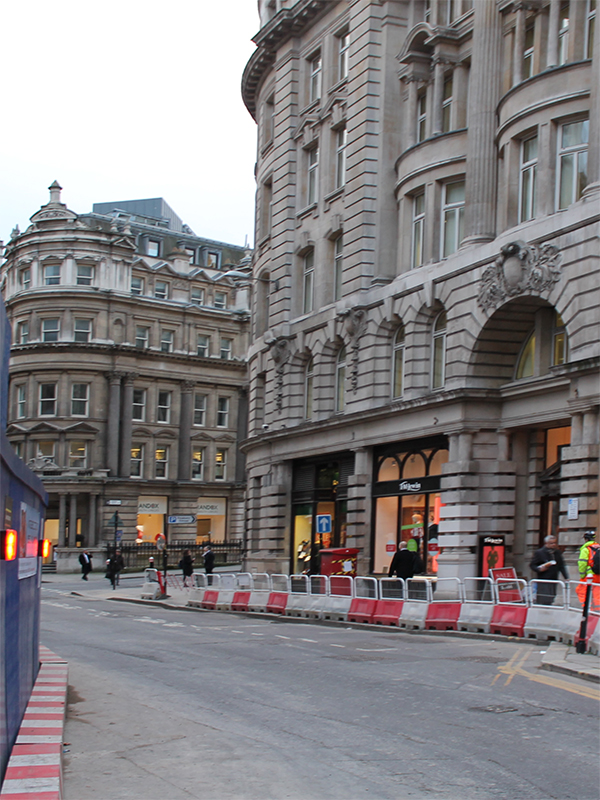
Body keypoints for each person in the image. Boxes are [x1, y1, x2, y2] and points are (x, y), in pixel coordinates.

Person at [530, 535, 569, 605]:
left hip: (553, 578)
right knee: (544, 597)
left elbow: (561, 565)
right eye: (551, 543)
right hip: (543, 578)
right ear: (546, 543)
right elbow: (532, 565)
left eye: (554, 543)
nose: (553, 545)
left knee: (551, 596)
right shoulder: (539, 552)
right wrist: (539, 569)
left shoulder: (557, 552)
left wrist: (566, 577)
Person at [576, 530, 600, 609]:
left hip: (590, 575)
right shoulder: (598, 547)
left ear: (586, 539)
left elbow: (582, 563)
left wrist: (582, 575)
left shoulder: (586, 549)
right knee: (597, 592)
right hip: (598, 574)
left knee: (581, 590)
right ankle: (597, 609)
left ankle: (586, 608)